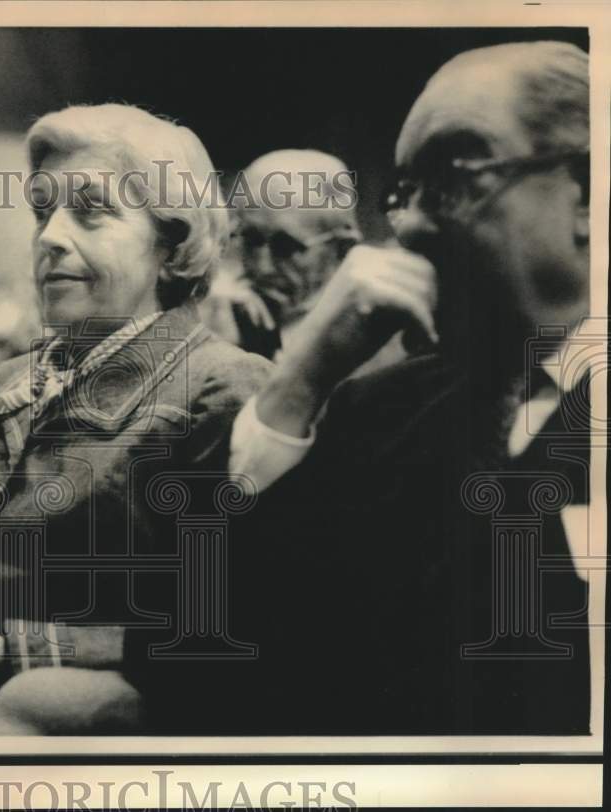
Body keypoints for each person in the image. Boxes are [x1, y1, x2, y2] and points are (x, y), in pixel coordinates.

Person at [0, 103, 275, 716]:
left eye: (90, 212)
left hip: (22, 722)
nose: (50, 237)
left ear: (173, 247)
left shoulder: (225, 391)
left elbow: (233, 627)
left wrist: (0, 653)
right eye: (44, 211)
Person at [230, 41, 593, 733]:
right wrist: (297, 383)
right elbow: (228, 645)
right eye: (405, 192)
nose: (411, 224)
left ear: (588, 190)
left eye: (453, 177)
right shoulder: (377, 408)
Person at [201, 150, 362, 359]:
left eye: (286, 248)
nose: (263, 267)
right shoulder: (218, 314)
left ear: (343, 248)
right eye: (252, 240)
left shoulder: (382, 344)